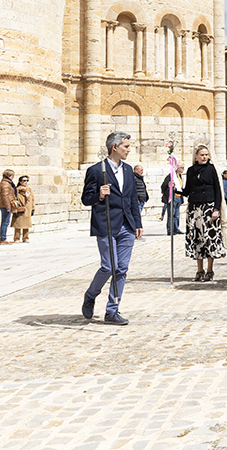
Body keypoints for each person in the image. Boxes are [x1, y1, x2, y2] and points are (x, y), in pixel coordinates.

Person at [81, 131, 143, 325]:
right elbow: (85, 199)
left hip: (127, 225)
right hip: (106, 224)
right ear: (114, 147)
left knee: (122, 268)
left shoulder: (128, 170)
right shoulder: (96, 170)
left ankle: (112, 310)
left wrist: (137, 223)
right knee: (109, 266)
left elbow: (133, 199)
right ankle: (91, 295)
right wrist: (99, 194)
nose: (129, 150)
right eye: (126, 146)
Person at [184, 145, 225, 281]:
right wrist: (174, 189)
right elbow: (187, 190)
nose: (204, 157)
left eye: (206, 155)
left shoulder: (211, 169)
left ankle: (209, 270)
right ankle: (199, 270)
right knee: (197, 239)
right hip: (194, 208)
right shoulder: (190, 170)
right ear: (196, 156)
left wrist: (216, 209)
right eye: (202, 155)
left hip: (209, 207)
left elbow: (217, 189)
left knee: (209, 239)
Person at [160, 164, 184, 235]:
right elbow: (163, 186)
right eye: (182, 168)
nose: (183, 169)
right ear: (177, 168)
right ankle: (170, 230)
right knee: (171, 215)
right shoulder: (171, 176)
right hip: (173, 198)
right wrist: (169, 186)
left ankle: (176, 228)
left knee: (177, 215)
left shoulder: (179, 176)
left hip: (178, 197)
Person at [11, 175, 35, 243]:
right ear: (20, 181)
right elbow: (14, 200)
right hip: (19, 208)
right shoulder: (17, 190)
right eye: (24, 180)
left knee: (26, 224)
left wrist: (33, 208)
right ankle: (16, 238)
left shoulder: (29, 189)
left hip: (27, 209)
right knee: (18, 225)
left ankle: (25, 238)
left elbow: (32, 199)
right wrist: (14, 210)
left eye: (27, 180)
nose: (26, 182)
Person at [0, 169, 16, 244]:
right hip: (5, 206)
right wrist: (8, 207)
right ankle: (3, 239)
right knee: (5, 222)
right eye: (12, 175)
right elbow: (5, 196)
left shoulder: (7, 183)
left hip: (6, 205)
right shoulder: (5, 184)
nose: (13, 177)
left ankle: (3, 238)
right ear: (9, 176)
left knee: (5, 222)